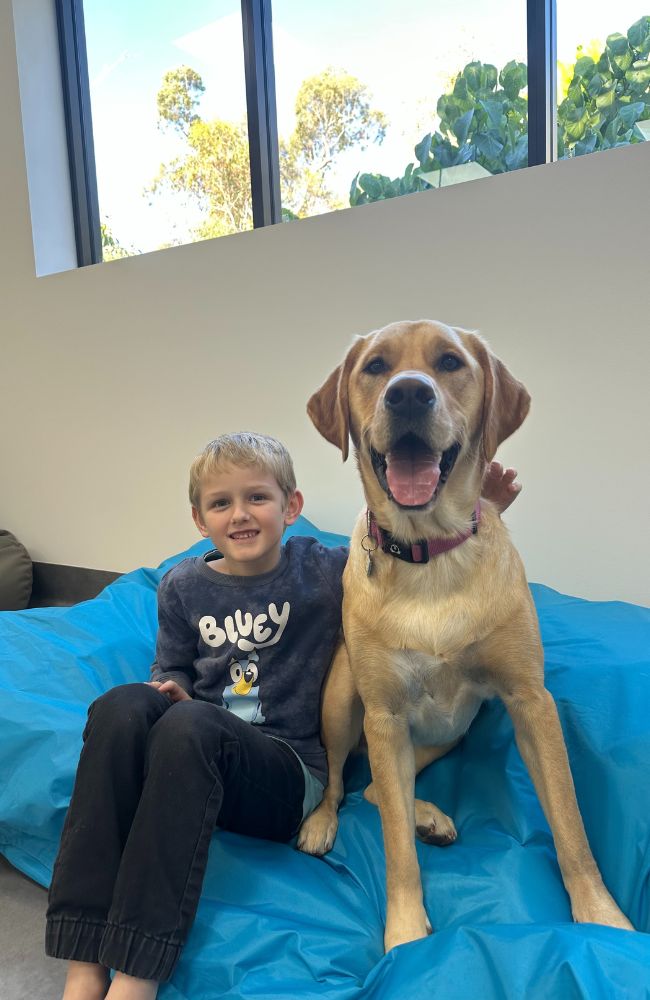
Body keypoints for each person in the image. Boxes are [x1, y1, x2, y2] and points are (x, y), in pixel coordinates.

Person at [45, 432, 521, 1000]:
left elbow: (407, 556)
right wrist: (167, 691)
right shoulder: (182, 585)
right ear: (199, 519)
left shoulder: (323, 569)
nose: (240, 514)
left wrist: (476, 510)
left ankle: (137, 972)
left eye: (257, 499)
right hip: (193, 757)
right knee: (120, 705)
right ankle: (82, 959)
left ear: (291, 507)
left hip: (286, 774)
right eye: (221, 503)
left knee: (190, 725)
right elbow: (169, 668)